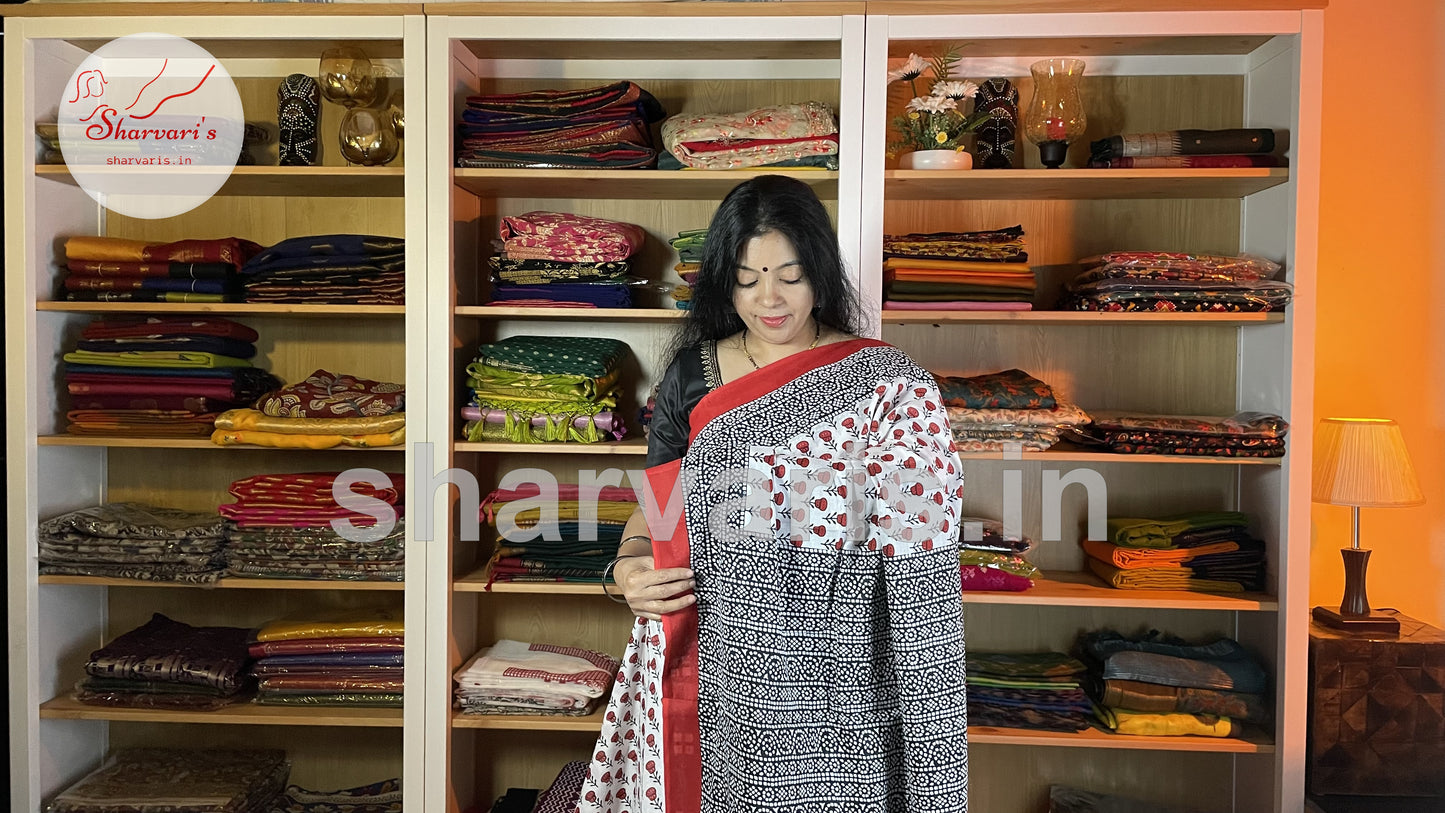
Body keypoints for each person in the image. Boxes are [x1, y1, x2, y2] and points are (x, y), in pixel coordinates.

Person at [576, 175, 968, 813]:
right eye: (747, 278)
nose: (769, 300)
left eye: (789, 275)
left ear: (819, 270)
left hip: (846, 668)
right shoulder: (691, 375)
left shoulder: (887, 382)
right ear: (722, 281)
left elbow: (920, 540)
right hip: (715, 660)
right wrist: (624, 571)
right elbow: (658, 509)